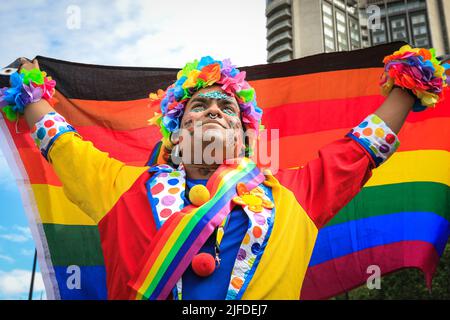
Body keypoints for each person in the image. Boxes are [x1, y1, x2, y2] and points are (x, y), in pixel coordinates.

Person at [1, 45, 447, 300]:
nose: (214, 108)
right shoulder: (120, 186)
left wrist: (411, 84)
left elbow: (361, 148)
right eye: (199, 106)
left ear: (245, 136)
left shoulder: (296, 193)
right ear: (175, 136)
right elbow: (62, 143)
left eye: (226, 108)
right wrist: (27, 85)